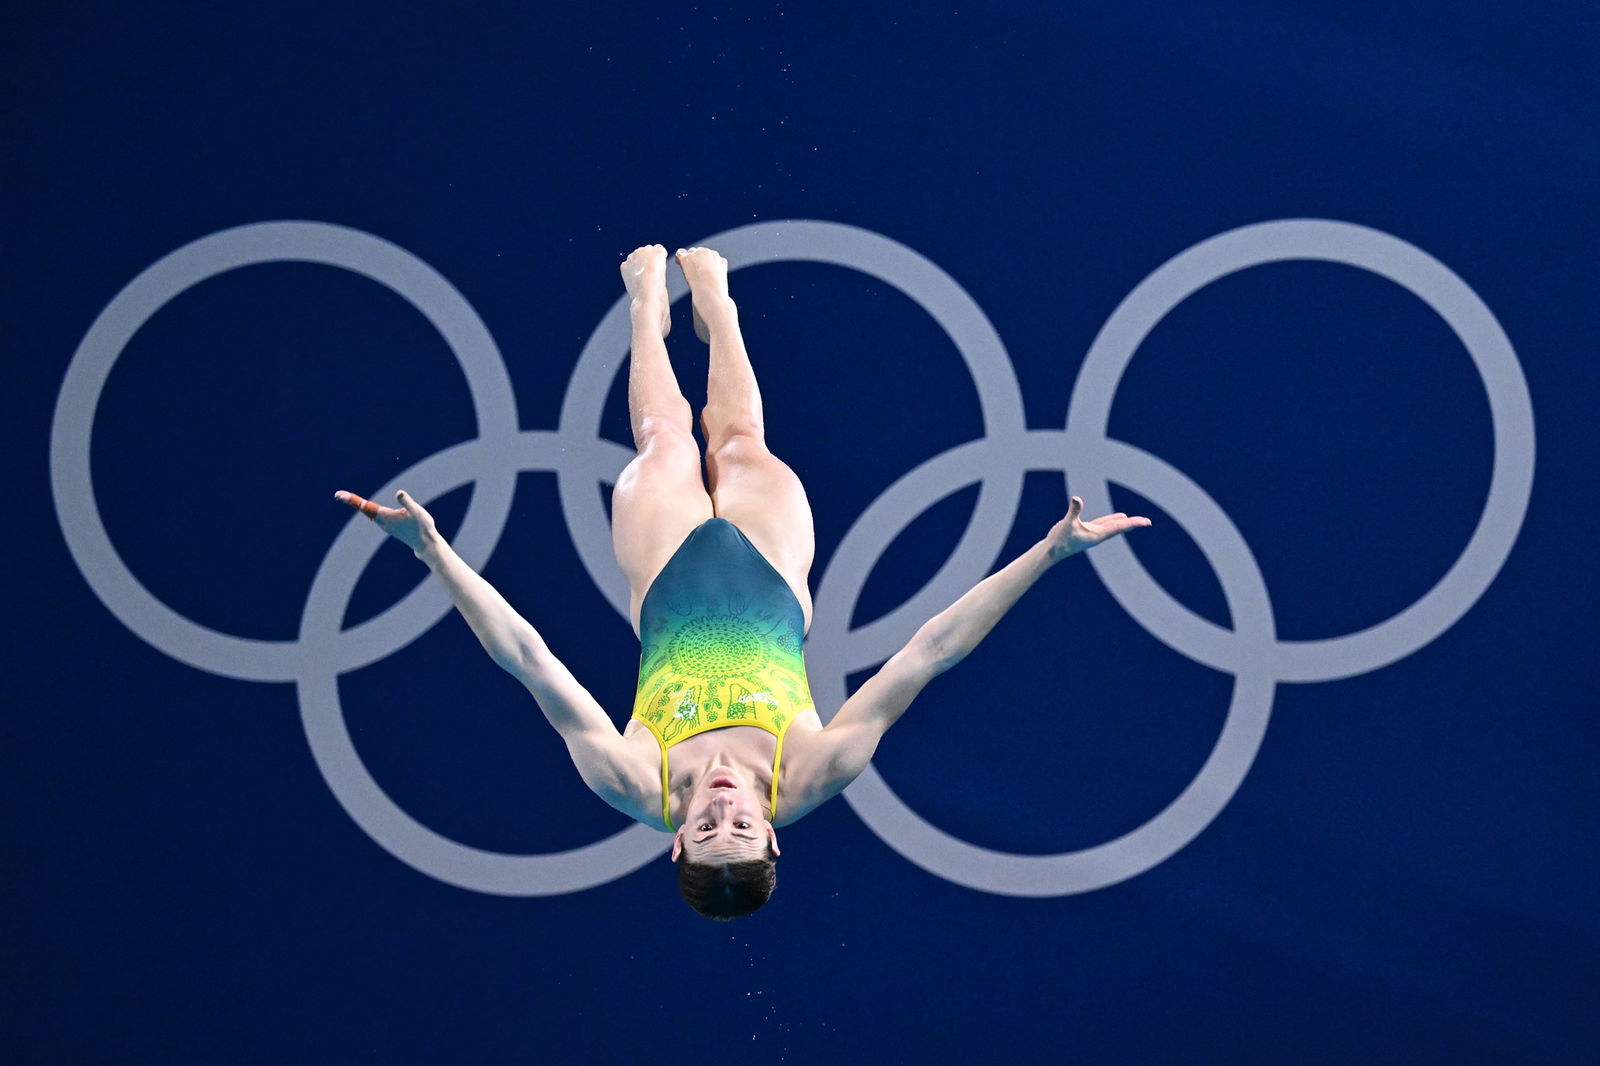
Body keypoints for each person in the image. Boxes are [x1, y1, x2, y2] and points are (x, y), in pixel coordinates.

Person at [335, 244, 1150, 920]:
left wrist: (434, 553)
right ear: (774, 834)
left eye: (707, 823)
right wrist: (1047, 555)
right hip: (769, 575)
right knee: (743, 442)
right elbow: (931, 652)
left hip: (666, 578)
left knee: (663, 444)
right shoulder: (814, 771)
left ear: (678, 840)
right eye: (744, 824)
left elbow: (528, 659)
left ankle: (646, 309)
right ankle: (717, 309)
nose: (725, 801)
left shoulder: (630, 780)